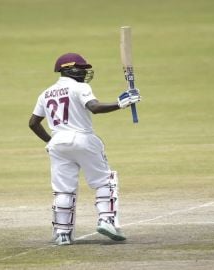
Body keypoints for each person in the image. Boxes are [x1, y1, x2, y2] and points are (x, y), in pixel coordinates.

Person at [28, 53, 141, 245]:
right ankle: (106, 220)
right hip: (83, 139)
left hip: (58, 143)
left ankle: (62, 233)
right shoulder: (80, 87)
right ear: (67, 69)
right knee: (105, 181)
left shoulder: (45, 93)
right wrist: (122, 103)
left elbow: (33, 123)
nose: (85, 71)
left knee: (63, 190)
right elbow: (94, 107)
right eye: (81, 68)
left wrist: (51, 141)